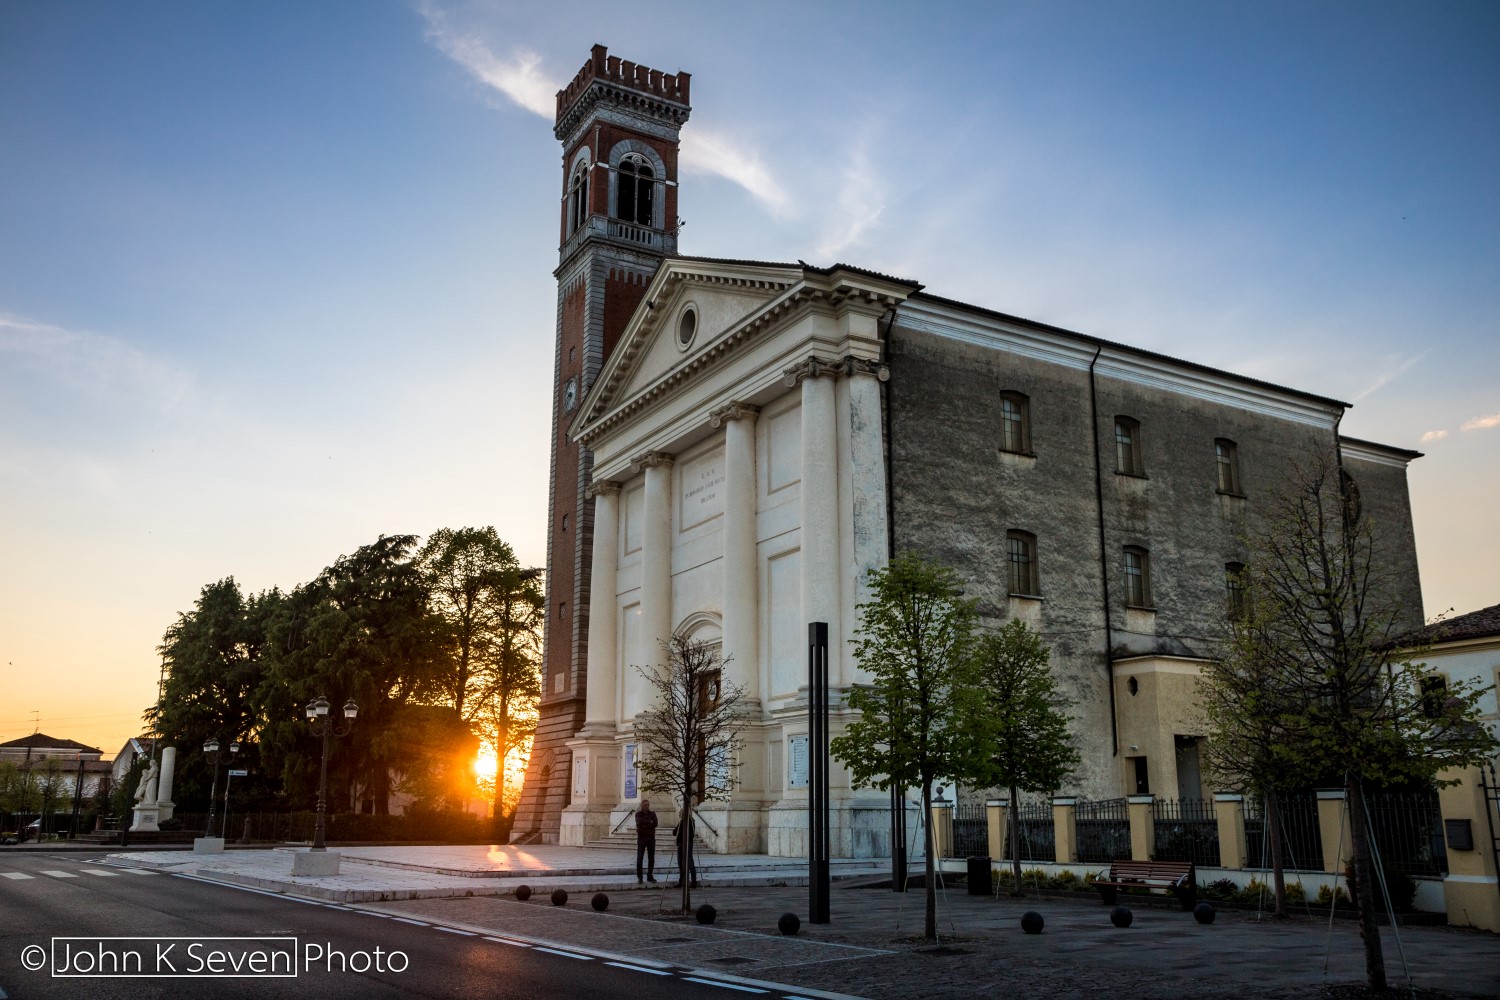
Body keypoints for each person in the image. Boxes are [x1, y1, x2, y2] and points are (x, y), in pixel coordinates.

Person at [672, 808, 698, 889]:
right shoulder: (682, 821)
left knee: (689, 863)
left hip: (687, 843)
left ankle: (693, 882)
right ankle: (682, 881)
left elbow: (690, 834)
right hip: (680, 843)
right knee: (681, 863)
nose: (680, 814)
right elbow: (674, 832)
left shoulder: (690, 821)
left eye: (681, 813)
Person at [634, 799, 658, 883]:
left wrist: (645, 825)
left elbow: (655, 824)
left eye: (648, 805)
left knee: (651, 859)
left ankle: (649, 876)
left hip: (651, 838)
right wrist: (649, 822)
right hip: (642, 838)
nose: (647, 807)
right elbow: (639, 823)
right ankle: (640, 877)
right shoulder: (638, 814)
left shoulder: (653, 814)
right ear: (641, 806)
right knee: (640, 858)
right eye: (645, 805)